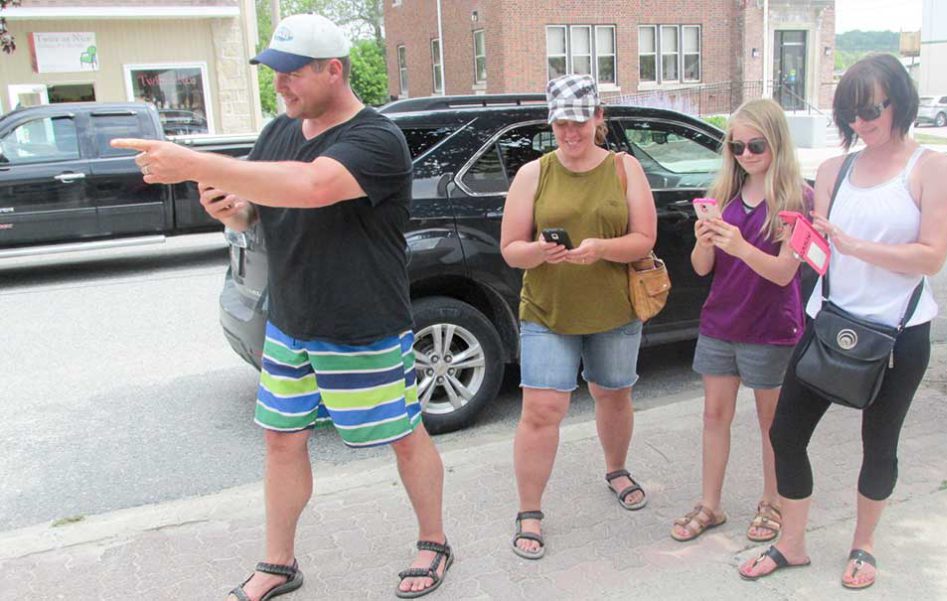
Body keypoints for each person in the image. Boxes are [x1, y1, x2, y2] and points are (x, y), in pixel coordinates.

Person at [112, 13, 453, 600]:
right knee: (281, 440)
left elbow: (313, 186)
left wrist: (192, 162)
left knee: (402, 432)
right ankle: (278, 563)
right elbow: (259, 207)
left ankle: (434, 541)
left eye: (293, 73)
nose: (280, 85)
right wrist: (233, 210)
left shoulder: (375, 139)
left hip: (362, 325)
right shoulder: (278, 132)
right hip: (289, 322)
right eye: (275, 73)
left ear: (334, 70)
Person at [738, 53, 947, 590]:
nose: (861, 122)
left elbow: (932, 257)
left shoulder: (931, 168)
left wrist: (854, 245)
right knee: (786, 432)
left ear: (899, 102)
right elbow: (824, 255)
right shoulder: (837, 169)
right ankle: (792, 543)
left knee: (879, 443)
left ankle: (864, 545)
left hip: (896, 333)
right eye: (850, 114)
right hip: (828, 320)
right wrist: (805, 240)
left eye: (870, 110)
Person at [500, 74, 657, 560]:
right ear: (551, 123)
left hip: (614, 309)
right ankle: (529, 511)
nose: (570, 133)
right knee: (541, 412)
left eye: (579, 122)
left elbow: (645, 239)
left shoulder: (625, 168)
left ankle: (616, 469)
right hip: (548, 311)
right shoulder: (533, 174)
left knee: (613, 394)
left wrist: (601, 248)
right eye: (561, 123)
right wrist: (539, 252)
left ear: (598, 118)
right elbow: (511, 249)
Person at [671, 98, 811, 545]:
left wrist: (739, 246)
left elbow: (785, 273)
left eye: (756, 145)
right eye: (736, 146)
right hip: (720, 323)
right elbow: (701, 269)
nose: (746, 155)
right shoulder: (724, 196)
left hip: (771, 327)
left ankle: (772, 502)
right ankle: (710, 504)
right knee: (714, 415)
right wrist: (705, 241)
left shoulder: (797, 198)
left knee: (772, 423)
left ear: (776, 143)